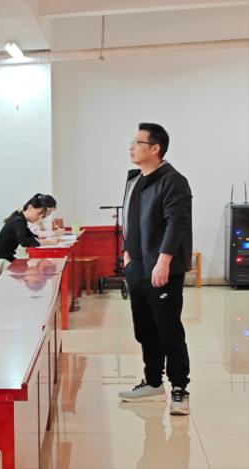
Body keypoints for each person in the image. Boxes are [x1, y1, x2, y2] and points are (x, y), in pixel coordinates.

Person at [118, 123, 193, 416]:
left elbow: (177, 223)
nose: (131, 146)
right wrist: (127, 255)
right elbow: (131, 221)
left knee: (168, 331)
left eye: (138, 142)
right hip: (137, 269)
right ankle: (152, 382)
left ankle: (180, 389)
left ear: (155, 148)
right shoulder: (136, 179)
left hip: (162, 271)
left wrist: (163, 262)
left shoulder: (173, 181)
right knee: (145, 330)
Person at [0, 195, 61, 265]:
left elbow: (31, 235)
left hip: (6, 258)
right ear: (30, 207)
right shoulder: (18, 221)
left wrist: (39, 240)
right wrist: (47, 242)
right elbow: (24, 241)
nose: (40, 218)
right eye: (39, 214)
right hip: (1, 261)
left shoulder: (21, 219)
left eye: (42, 216)